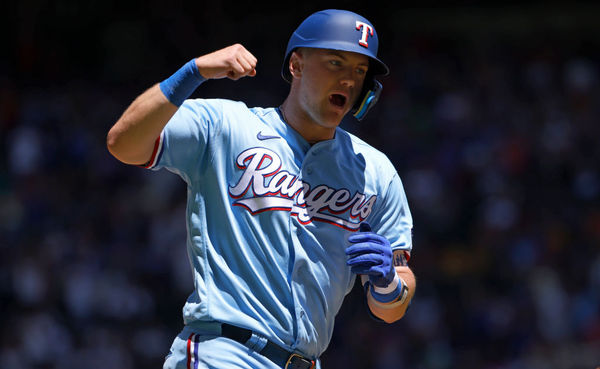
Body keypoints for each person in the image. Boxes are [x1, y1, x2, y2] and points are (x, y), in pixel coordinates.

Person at [107, 9, 415, 369]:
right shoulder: (227, 126)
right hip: (225, 351)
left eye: (360, 71)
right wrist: (193, 72)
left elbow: (391, 310)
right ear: (296, 65)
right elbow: (122, 143)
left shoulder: (374, 172)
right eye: (335, 62)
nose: (349, 79)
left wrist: (389, 283)